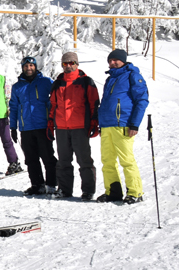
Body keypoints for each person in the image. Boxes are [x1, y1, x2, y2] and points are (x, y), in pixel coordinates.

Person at [97, 49, 149, 204]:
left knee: (126, 160)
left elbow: (142, 100)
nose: (112, 62)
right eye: (110, 60)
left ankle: (135, 192)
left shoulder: (133, 75)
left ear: (123, 60)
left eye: (115, 60)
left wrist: (134, 124)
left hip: (123, 125)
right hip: (107, 125)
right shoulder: (110, 78)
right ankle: (113, 192)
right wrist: (101, 123)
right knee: (107, 160)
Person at [48, 51, 100, 199]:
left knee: (84, 160)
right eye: (65, 63)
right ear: (62, 65)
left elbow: (94, 104)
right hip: (62, 128)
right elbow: (53, 105)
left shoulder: (86, 81)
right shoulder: (57, 83)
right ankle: (64, 190)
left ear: (77, 64)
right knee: (63, 161)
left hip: (80, 127)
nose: (68, 66)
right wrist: (51, 124)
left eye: (72, 63)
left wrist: (94, 123)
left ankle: (88, 191)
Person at [9, 56, 58, 195]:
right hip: (26, 128)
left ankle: (52, 185)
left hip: (43, 126)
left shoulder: (45, 82)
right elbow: (14, 107)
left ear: (35, 67)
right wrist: (13, 127)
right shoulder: (17, 87)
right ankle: (37, 185)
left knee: (48, 157)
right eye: (26, 66)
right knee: (31, 159)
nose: (28, 68)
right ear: (22, 68)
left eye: (31, 66)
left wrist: (54, 120)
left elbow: (55, 99)